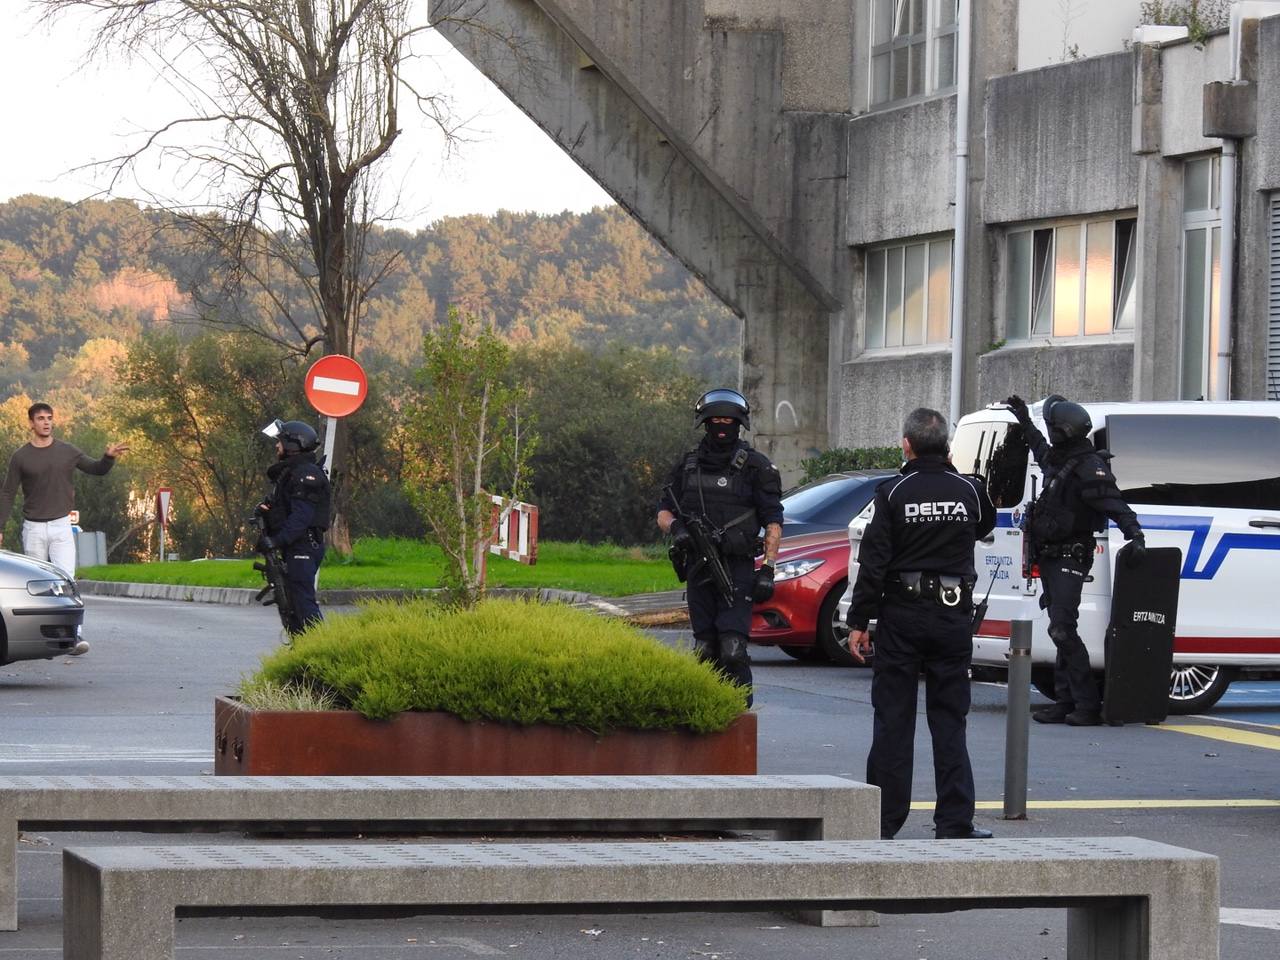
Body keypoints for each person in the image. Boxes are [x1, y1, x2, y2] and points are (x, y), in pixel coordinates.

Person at [845, 407, 995, 840]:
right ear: (947, 447)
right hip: (952, 615)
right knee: (950, 720)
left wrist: (859, 620)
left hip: (903, 616)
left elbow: (874, 561)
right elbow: (984, 522)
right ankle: (954, 822)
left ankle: (883, 821)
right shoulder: (968, 490)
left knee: (893, 718)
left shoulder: (892, 493)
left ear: (906, 445)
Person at [1005, 395, 1146, 727]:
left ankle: (1086, 704)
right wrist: (1024, 420)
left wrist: (1135, 534)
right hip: (1052, 558)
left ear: (1064, 430)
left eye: (1053, 427)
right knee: (1060, 628)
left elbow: (1114, 503)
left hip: (1071, 557)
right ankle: (1065, 699)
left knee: (1063, 629)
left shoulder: (1088, 467)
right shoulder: (1061, 459)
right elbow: (1039, 448)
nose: (1050, 433)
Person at [656, 389, 784, 707]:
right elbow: (663, 511)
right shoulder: (687, 466)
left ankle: (739, 712)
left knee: (732, 647)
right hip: (698, 568)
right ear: (706, 423)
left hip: (737, 569)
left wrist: (768, 568)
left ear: (739, 423)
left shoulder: (756, 468)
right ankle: (704, 710)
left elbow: (773, 521)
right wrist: (678, 530)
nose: (723, 426)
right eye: (716, 420)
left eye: (729, 420)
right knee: (704, 647)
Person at [0, 402, 128, 578]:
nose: (46, 423)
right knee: (37, 581)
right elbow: (7, 493)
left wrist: (108, 458)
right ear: (31, 423)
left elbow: (97, 469)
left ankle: (66, 606)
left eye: (49, 419)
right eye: (41, 419)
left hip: (61, 526)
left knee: (66, 579)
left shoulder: (67, 451)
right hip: (33, 529)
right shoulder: (20, 456)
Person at [256, 418, 331, 635]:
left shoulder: (306, 475)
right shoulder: (290, 474)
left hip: (303, 547)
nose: (276, 446)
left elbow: (302, 517)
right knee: (290, 605)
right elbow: (285, 509)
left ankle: (319, 648)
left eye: (280, 442)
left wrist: (277, 540)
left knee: (302, 602)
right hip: (294, 548)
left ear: (293, 445)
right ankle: (301, 650)